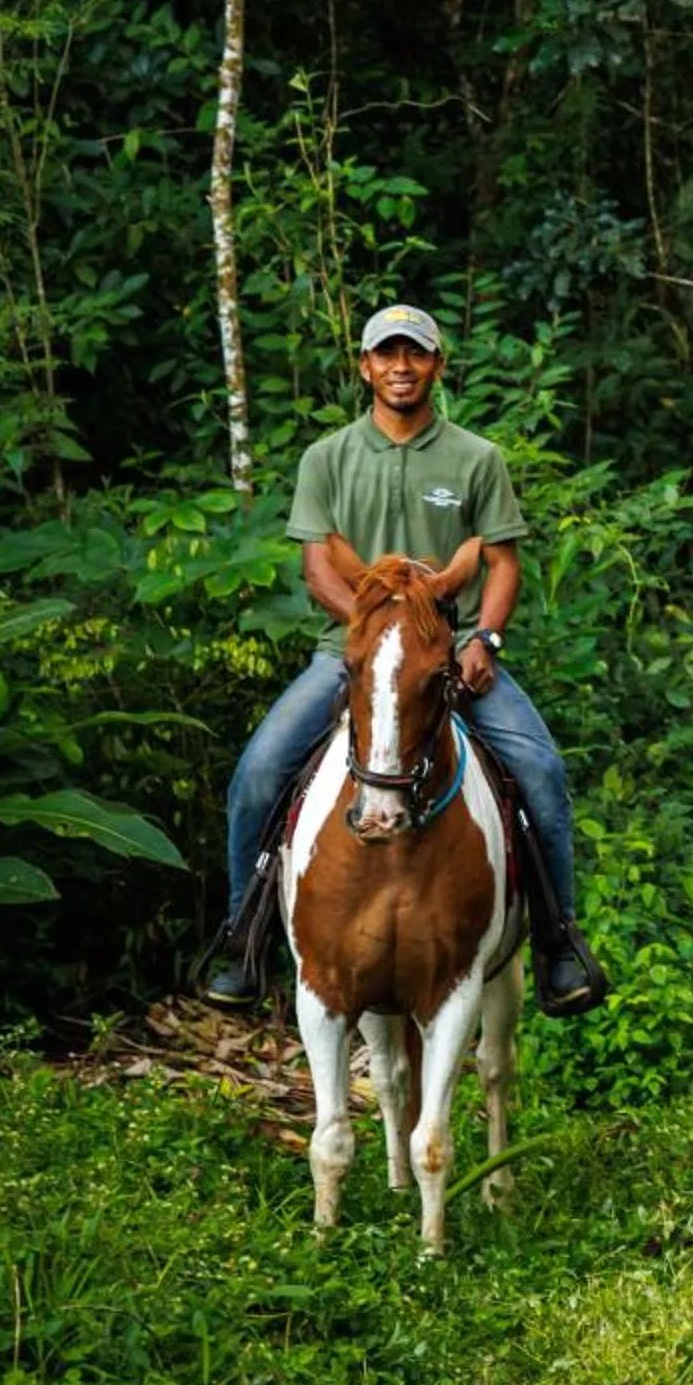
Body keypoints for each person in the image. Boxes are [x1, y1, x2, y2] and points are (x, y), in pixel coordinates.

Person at [202, 304, 610, 1017]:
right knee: (259, 772)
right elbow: (318, 570)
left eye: (415, 354)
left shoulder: (476, 458)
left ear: (436, 366)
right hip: (349, 656)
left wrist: (484, 639)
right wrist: (377, 630)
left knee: (541, 770)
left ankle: (558, 943)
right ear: (365, 367)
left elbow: (502, 563)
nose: (401, 366)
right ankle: (244, 938)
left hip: (452, 655)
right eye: (386, 354)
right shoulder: (327, 458)